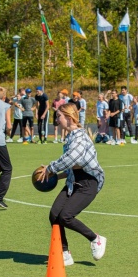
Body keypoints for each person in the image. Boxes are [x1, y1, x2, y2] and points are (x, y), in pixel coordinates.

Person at [36, 103, 107, 265]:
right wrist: (54, 176)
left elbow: (72, 158)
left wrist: (50, 168)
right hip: (73, 182)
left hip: (88, 183)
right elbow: (73, 167)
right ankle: (65, 253)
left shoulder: (79, 137)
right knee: (54, 214)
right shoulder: (70, 137)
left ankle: (95, 239)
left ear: (68, 117)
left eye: (58, 116)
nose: (56, 120)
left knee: (65, 216)